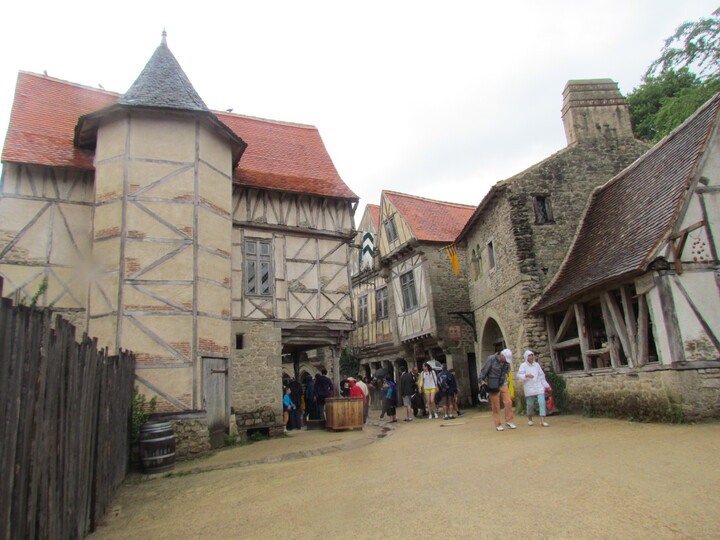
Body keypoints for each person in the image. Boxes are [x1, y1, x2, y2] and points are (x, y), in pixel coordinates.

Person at [479, 348, 516, 431]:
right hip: (493, 384)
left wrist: (506, 375)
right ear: (502, 355)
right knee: (496, 405)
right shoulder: (491, 359)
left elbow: (507, 370)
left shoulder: (506, 362)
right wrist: (481, 380)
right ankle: (498, 423)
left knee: (508, 402)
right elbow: (484, 370)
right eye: (506, 358)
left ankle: (509, 420)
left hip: (503, 383)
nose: (506, 361)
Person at [517, 350, 551, 427]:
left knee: (542, 402)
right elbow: (520, 375)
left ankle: (542, 420)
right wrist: (526, 376)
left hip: (538, 386)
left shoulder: (537, 365)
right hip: (529, 387)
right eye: (529, 356)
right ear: (526, 357)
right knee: (530, 404)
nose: (531, 357)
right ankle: (530, 418)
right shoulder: (523, 366)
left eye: (532, 355)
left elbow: (541, 376)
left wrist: (547, 386)